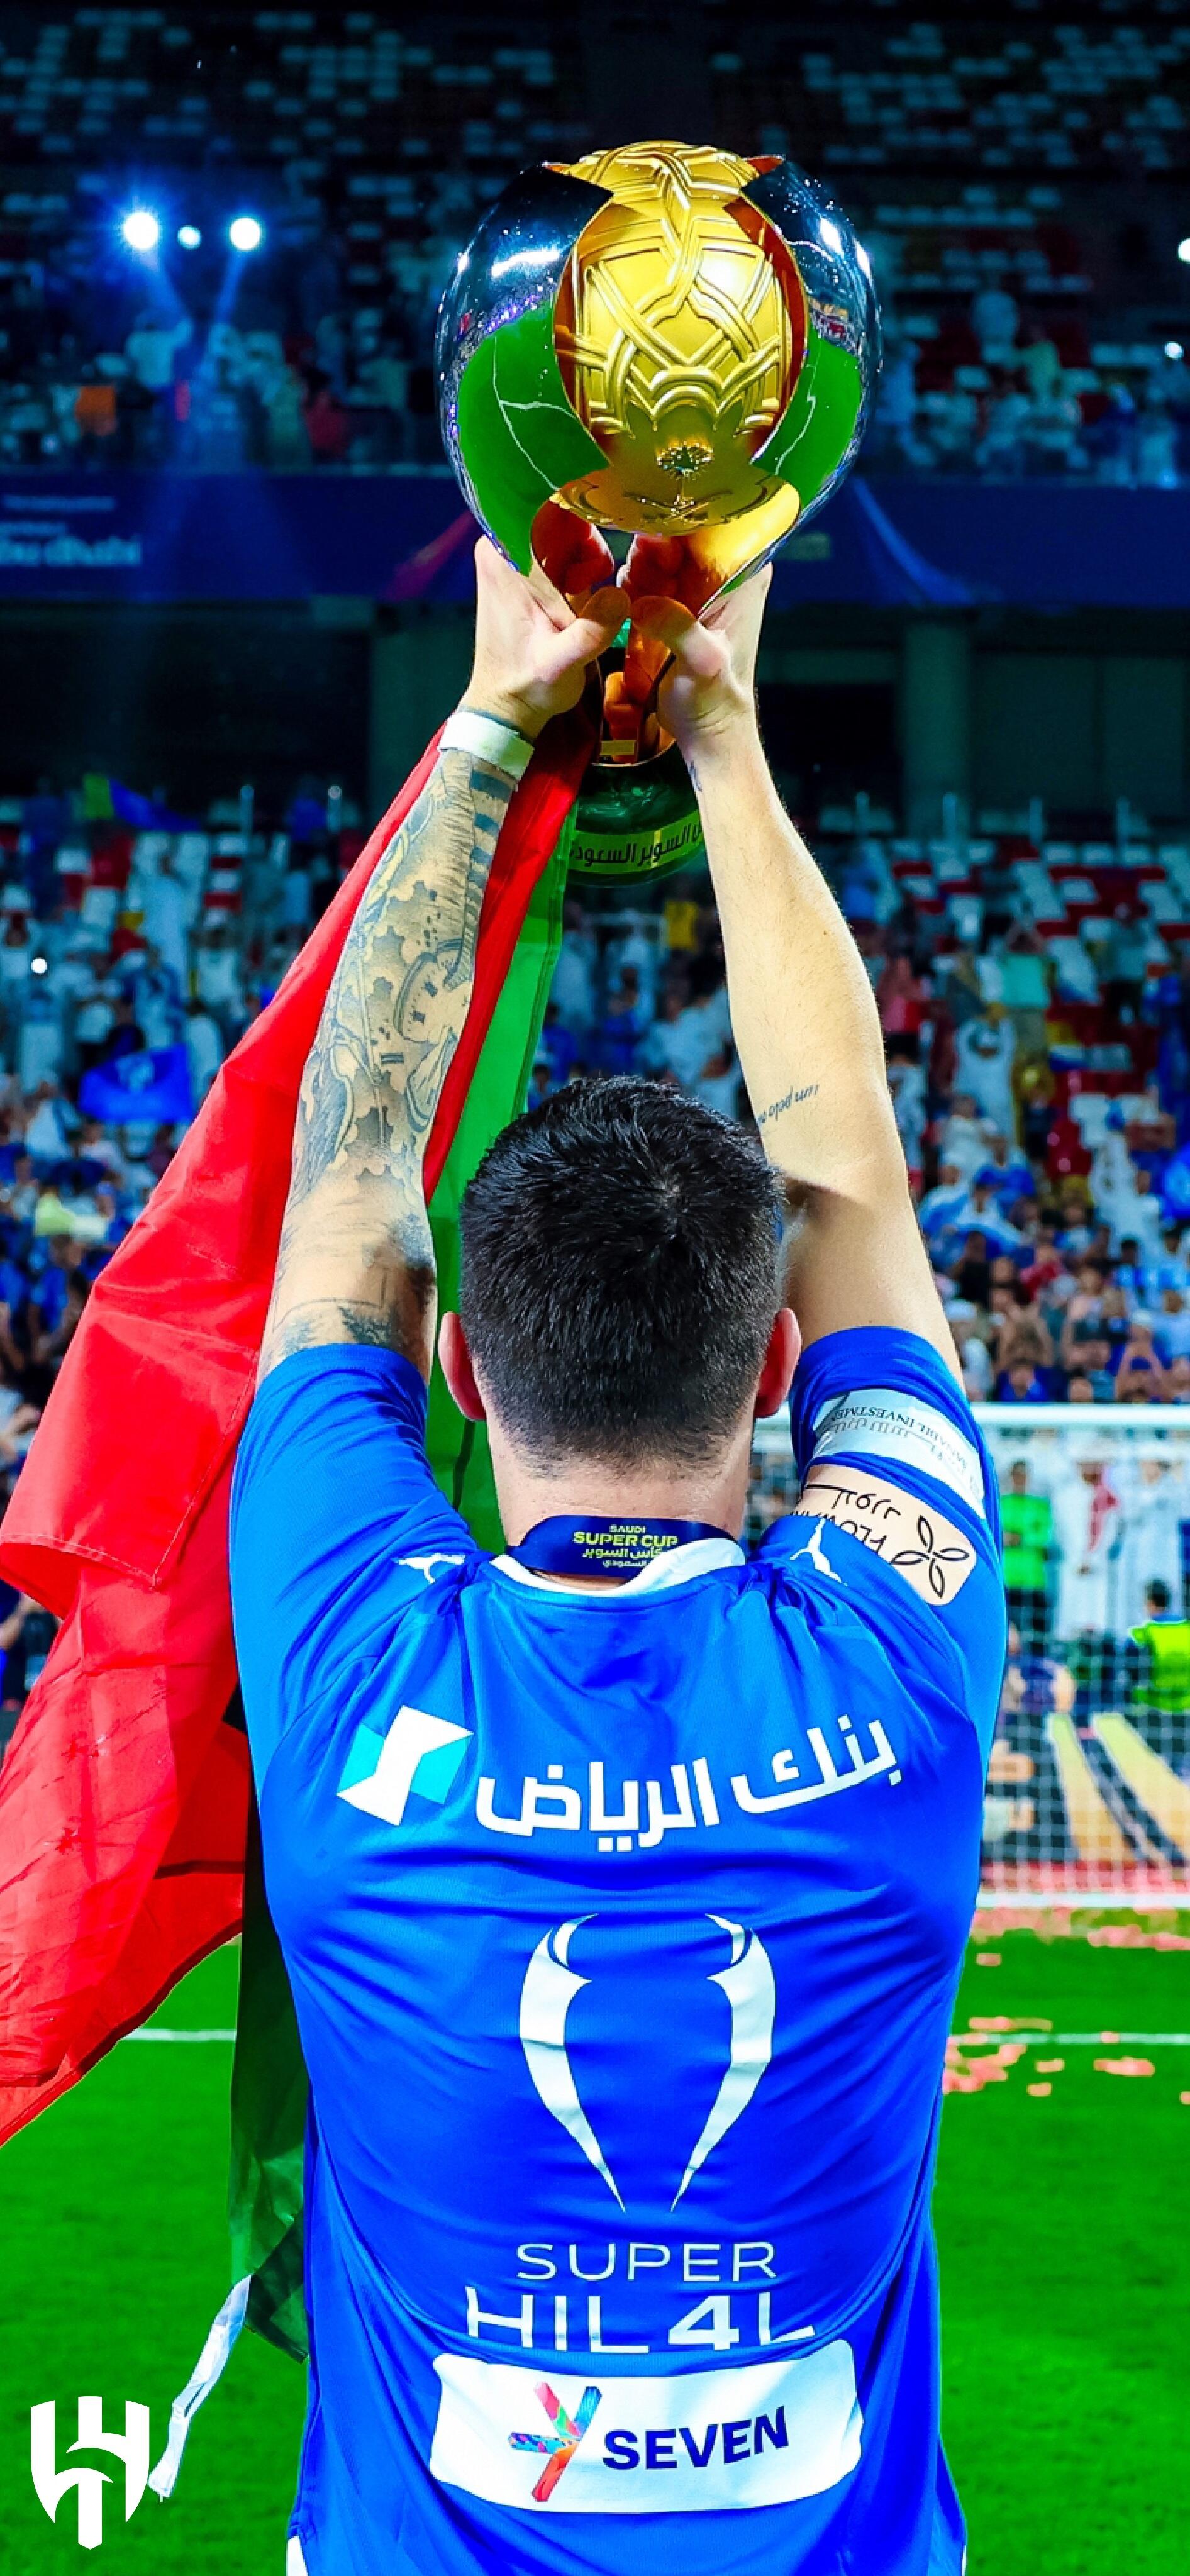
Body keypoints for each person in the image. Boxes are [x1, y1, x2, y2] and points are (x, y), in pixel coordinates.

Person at [230, 536, 1004, 2576]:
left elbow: (342, 1191)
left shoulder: (349, 1662)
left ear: (462, 1376)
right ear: (772, 1369)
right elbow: (847, 1174)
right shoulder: (894, 1653)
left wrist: (492, 722)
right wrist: (729, 741)